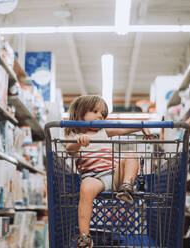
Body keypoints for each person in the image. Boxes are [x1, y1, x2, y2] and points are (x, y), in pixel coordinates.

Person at [64, 95, 151, 248]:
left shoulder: (103, 132)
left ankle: (127, 187)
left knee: (131, 155)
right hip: (94, 178)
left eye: (103, 114)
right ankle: (85, 236)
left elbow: (120, 128)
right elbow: (69, 149)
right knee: (85, 188)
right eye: (95, 111)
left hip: (113, 174)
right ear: (80, 112)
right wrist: (79, 142)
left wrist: (140, 125)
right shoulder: (74, 135)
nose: (100, 116)